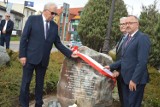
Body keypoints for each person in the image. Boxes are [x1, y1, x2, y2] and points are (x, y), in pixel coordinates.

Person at [19, 2, 78, 107]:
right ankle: (24, 105)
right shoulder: (33, 20)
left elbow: (58, 44)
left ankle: (38, 104)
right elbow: (24, 38)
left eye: (55, 14)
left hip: (43, 60)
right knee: (26, 84)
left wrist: (70, 53)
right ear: (45, 11)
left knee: (40, 85)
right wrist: (22, 55)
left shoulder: (54, 26)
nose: (54, 15)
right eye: (53, 13)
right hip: (29, 58)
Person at [105, 15, 151, 107]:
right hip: (125, 79)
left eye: (130, 23)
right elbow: (124, 59)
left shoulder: (142, 38)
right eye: (126, 23)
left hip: (135, 81)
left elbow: (142, 62)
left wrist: (134, 80)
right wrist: (111, 67)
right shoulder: (127, 38)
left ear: (137, 24)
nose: (127, 25)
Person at [115, 17, 128, 107]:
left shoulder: (132, 39)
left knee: (128, 102)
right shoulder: (122, 38)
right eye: (121, 24)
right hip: (120, 76)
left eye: (124, 24)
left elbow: (129, 59)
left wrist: (118, 71)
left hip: (127, 76)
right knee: (122, 100)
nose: (122, 26)